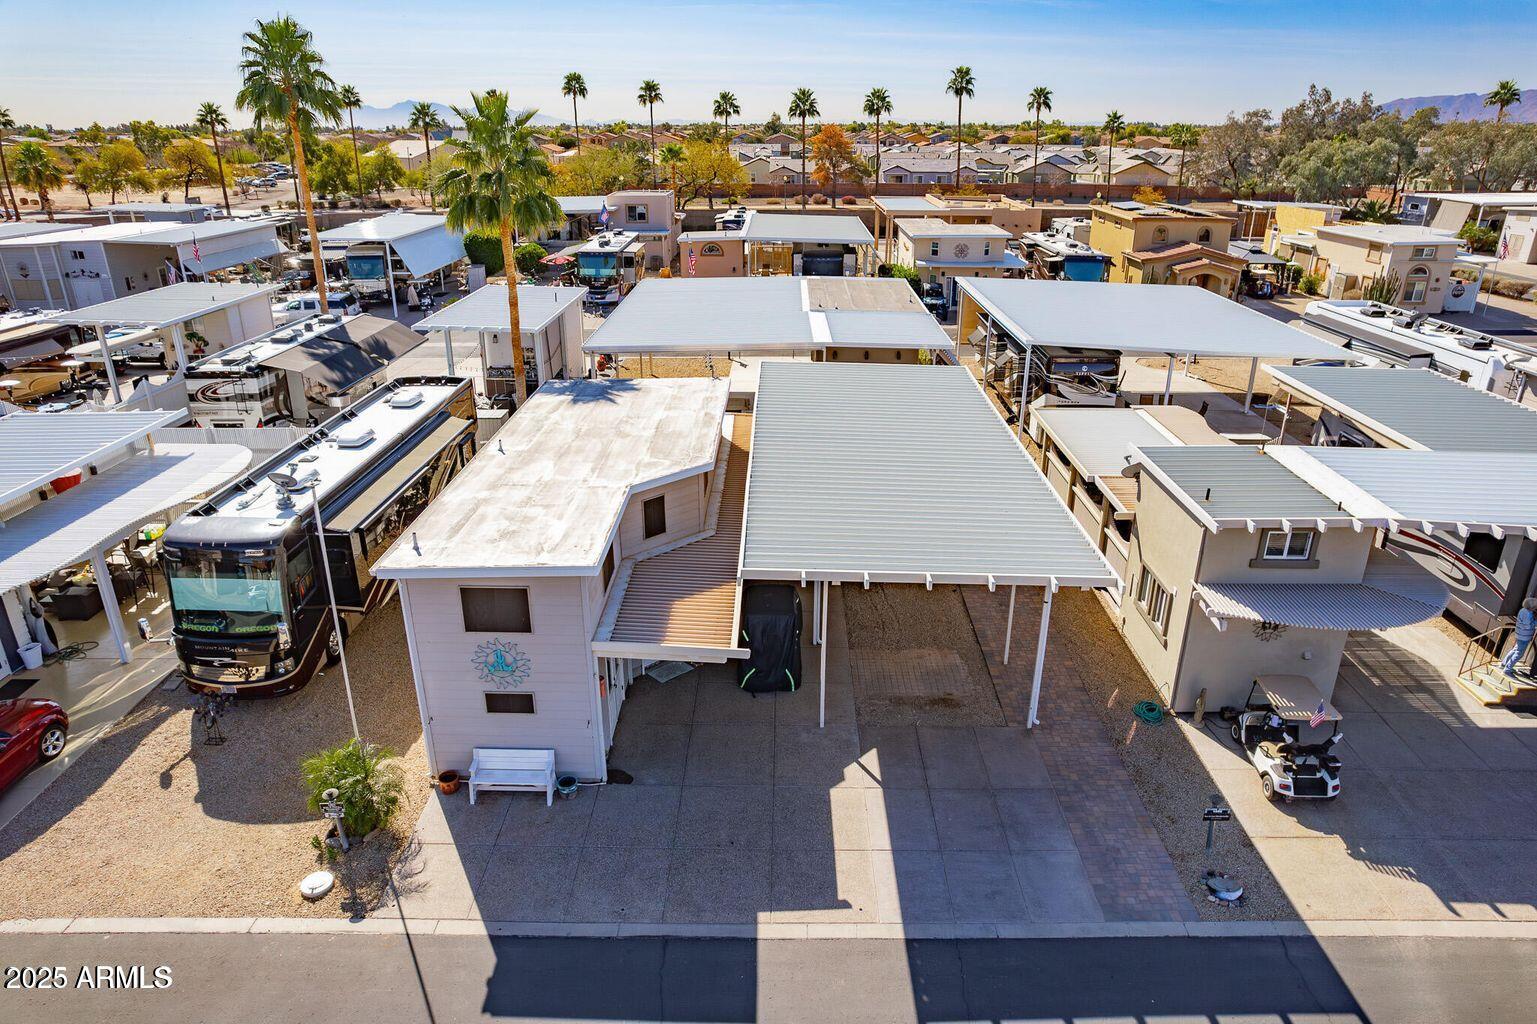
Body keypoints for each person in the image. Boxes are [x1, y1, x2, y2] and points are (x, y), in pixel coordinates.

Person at [1501, 598, 1537, 676]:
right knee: (1519, 654)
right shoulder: (1528, 614)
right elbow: (1527, 626)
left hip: (1519, 634)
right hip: (1524, 637)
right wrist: (1535, 622)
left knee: (1515, 650)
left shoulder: (1522, 610)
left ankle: (1504, 664)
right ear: (1532, 607)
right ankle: (1507, 670)